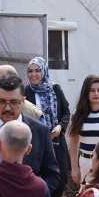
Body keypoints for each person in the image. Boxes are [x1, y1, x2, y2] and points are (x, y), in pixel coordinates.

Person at [24, 56, 73, 187]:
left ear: (44, 71)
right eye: (30, 71)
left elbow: (66, 113)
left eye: (37, 70)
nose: (33, 74)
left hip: (56, 140)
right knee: (38, 175)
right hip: (35, 142)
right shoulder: (26, 92)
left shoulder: (55, 89)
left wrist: (60, 127)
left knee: (61, 177)